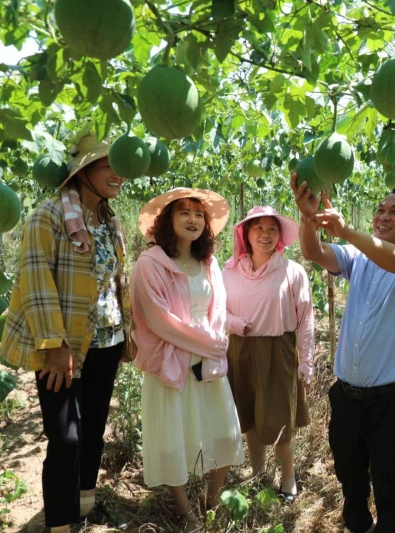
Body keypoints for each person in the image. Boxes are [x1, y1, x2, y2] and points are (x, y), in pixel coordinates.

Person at [291, 174, 395, 533]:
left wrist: (348, 232)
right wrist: (309, 219)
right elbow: (313, 252)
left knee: (390, 486)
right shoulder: (358, 257)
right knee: (350, 479)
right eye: (380, 210)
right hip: (347, 398)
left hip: (391, 400)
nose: (383, 216)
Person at [0, 134, 130, 531]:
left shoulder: (107, 218)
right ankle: (59, 523)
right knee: (65, 438)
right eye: (108, 164)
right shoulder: (49, 215)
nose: (118, 173)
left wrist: (130, 331)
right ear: (83, 170)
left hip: (107, 340)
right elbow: (37, 282)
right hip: (64, 345)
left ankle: (84, 504)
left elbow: (116, 281)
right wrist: (55, 346)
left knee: (92, 428)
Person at [130, 188, 244, 529]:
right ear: (167, 220)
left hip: (207, 362)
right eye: (184, 213)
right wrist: (210, 343)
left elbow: (219, 309)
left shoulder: (207, 263)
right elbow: (157, 318)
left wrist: (213, 343)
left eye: (199, 214)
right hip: (171, 362)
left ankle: (211, 500)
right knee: (173, 438)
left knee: (224, 432)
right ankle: (185, 511)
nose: (193, 220)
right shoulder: (150, 264)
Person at [222, 206, 314, 502]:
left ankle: (288, 480)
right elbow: (214, 313)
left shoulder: (292, 271)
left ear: (280, 236)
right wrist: (235, 324)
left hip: (279, 351)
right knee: (249, 414)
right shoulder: (229, 270)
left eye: (272, 229)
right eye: (258, 228)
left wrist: (307, 362)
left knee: (279, 420)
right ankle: (259, 474)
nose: (265, 234)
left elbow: (306, 320)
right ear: (245, 235)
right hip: (240, 350)